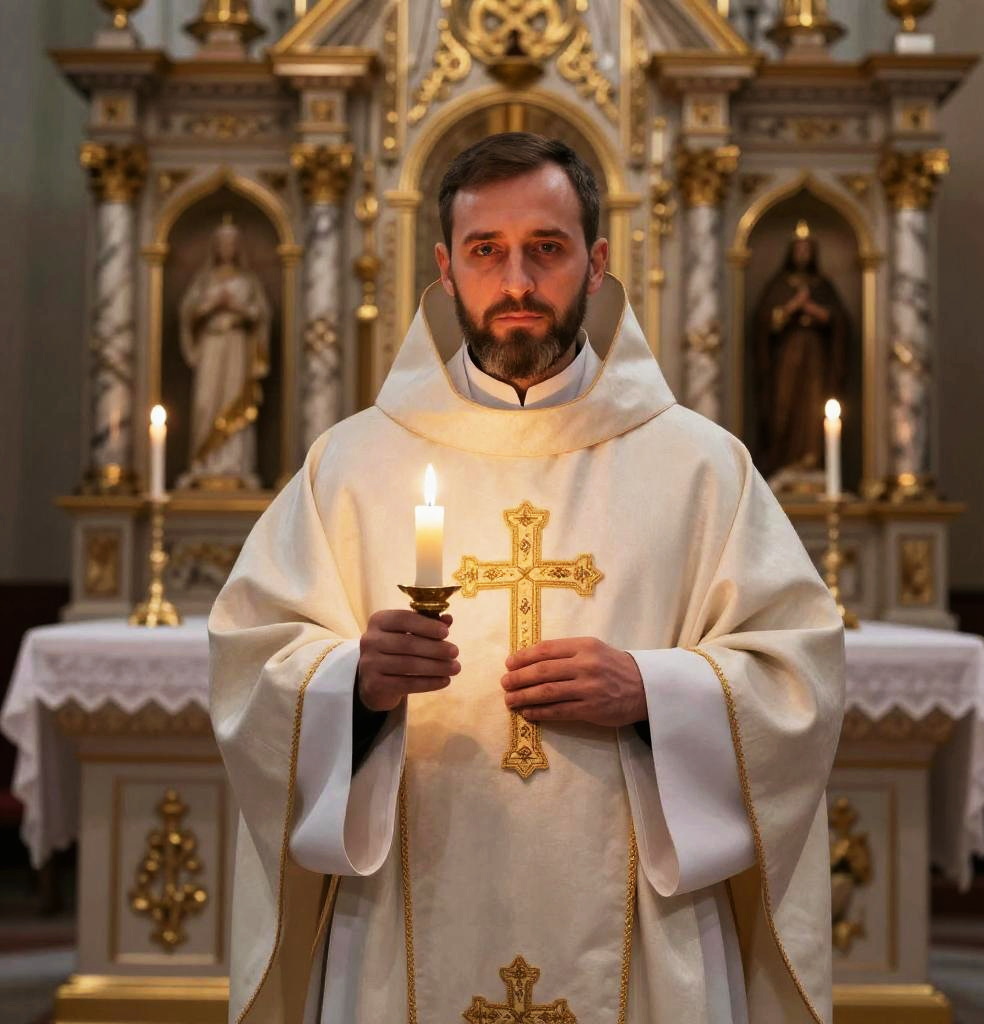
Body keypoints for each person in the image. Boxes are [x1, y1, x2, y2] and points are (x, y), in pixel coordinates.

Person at [209, 133, 845, 1024]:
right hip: (400, 907)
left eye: (545, 248)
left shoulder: (701, 467)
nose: (516, 281)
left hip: (643, 921)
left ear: (595, 261)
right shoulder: (351, 465)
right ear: (443, 267)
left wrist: (655, 688)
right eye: (486, 251)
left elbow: (800, 677)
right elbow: (252, 665)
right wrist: (354, 683)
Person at [752, 220, 849, 484]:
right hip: (788, 353)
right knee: (785, 403)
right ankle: (784, 458)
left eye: (808, 249)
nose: (803, 254)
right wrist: (793, 307)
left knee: (813, 403)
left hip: (815, 354)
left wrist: (816, 311)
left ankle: (811, 457)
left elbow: (839, 320)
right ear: (792, 252)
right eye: (799, 248)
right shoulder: (780, 284)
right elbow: (764, 321)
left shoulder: (822, 285)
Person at [178, 215, 270, 490]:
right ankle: (203, 464)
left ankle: (235, 465)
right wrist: (211, 305)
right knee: (207, 403)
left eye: (232, 243)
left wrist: (240, 309)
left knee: (235, 400)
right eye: (222, 243)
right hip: (211, 345)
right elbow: (188, 313)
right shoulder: (204, 279)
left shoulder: (247, 280)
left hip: (237, 345)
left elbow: (261, 314)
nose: (227, 248)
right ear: (215, 247)